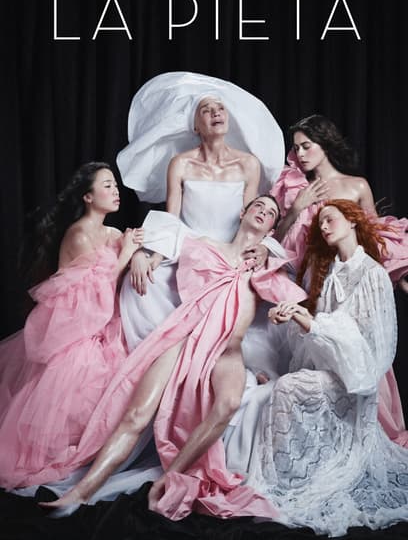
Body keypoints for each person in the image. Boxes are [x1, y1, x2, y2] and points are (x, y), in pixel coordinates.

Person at [39, 195, 306, 521]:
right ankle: (80, 493)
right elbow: (166, 243)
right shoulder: (205, 247)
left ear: (273, 228)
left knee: (228, 403)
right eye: (258, 206)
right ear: (243, 212)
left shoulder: (268, 265)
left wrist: (268, 254)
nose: (263, 212)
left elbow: (294, 287)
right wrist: (141, 255)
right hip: (186, 338)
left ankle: (169, 477)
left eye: (271, 212)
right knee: (137, 413)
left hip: (227, 350)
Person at [241, 200, 408, 537]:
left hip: (356, 379)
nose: (325, 226)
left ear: (352, 221)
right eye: (321, 224)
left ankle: (292, 480)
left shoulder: (372, 273)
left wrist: (310, 322)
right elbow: (316, 339)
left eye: (331, 219)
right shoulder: (330, 273)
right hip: (332, 372)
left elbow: (372, 344)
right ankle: (294, 477)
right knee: (287, 385)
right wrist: (294, 318)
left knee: (287, 387)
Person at [116, 71, 285, 351]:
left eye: (220, 108)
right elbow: (172, 217)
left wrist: (262, 250)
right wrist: (151, 254)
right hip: (189, 249)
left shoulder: (248, 164)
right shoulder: (180, 163)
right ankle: (167, 356)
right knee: (144, 284)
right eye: (206, 110)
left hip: (230, 253)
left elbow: (251, 218)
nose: (216, 113)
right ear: (195, 126)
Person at [0, 162, 143, 489]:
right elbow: (98, 291)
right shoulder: (78, 234)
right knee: (80, 377)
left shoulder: (112, 234)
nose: (116, 191)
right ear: (88, 197)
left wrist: (136, 254)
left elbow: (132, 253)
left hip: (104, 322)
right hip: (76, 328)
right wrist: (127, 254)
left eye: (115, 185)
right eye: (107, 185)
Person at [271, 114, 408, 445]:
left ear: (324, 144)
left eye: (307, 146)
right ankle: (320, 439)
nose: (300, 154)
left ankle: (368, 433)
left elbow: (375, 235)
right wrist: (298, 207)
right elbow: (277, 240)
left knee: (357, 347)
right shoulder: (295, 187)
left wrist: (399, 272)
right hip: (314, 278)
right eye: (296, 148)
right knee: (320, 346)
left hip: (353, 278)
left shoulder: (356, 185)